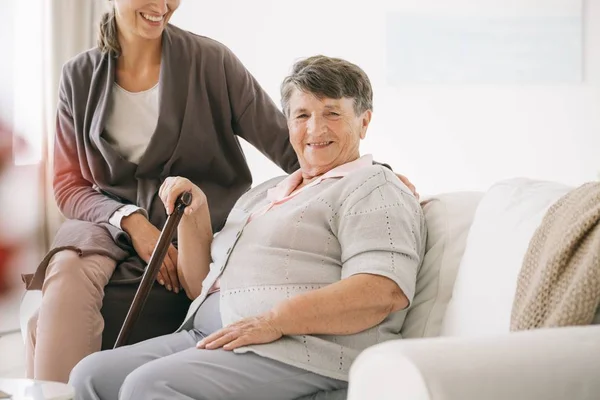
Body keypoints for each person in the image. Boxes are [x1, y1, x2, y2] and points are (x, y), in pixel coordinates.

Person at [23, 0, 418, 384]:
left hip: (191, 232)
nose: (162, 5)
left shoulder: (210, 62)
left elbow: (297, 142)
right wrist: (131, 221)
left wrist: (371, 177)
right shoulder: (79, 75)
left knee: (52, 327)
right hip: (109, 222)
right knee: (68, 273)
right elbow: (68, 184)